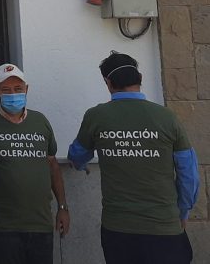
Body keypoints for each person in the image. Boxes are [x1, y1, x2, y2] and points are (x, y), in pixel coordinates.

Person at [67, 51, 198, 264]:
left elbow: (77, 154)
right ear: (140, 79)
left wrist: (81, 165)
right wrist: (182, 212)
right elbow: (188, 174)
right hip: (165, 227)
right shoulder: (166, 117)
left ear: (108, 82)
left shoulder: (97, 116)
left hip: (118, 230)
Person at [0, 63, 69, 264]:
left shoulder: (40, 121)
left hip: (41, 223)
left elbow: (52, 166)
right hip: (3, 226)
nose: (12, 94)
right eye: (6, 90)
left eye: (17, 88)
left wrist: (62, 207)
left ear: (27, 88)